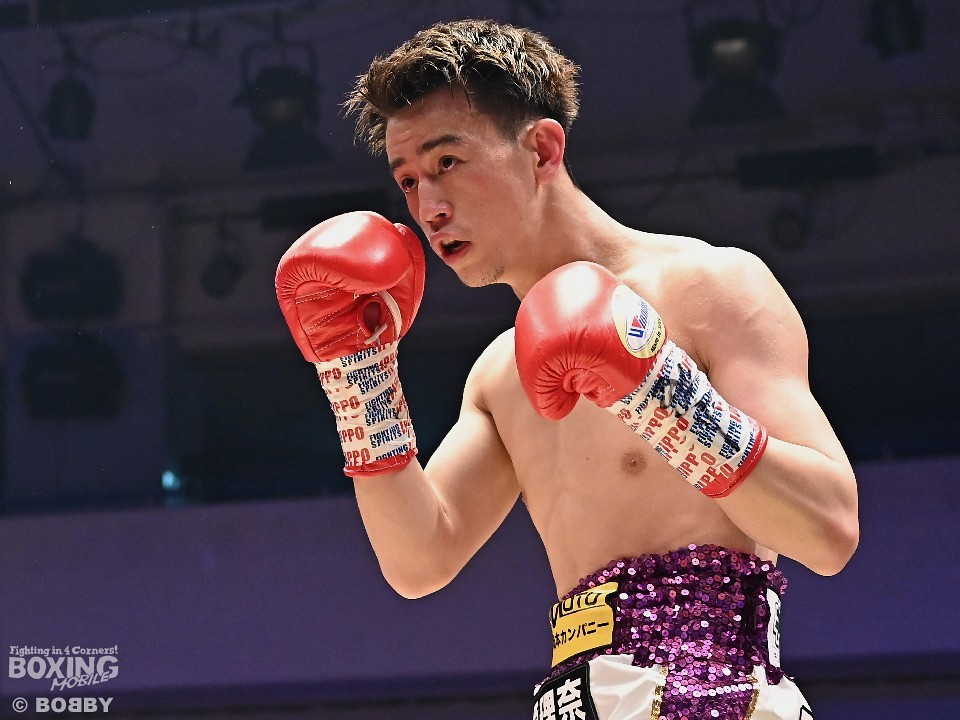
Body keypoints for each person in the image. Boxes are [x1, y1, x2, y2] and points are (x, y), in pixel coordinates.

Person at [276, 18, 858, 720]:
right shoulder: (499, 374)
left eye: (448, 162)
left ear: (543, 150)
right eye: (408, 181)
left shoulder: (710, 288)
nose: (429, 207)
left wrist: (660, 395)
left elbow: (829, 529)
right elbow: (418, 561)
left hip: (720, 697)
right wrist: (357, 376)